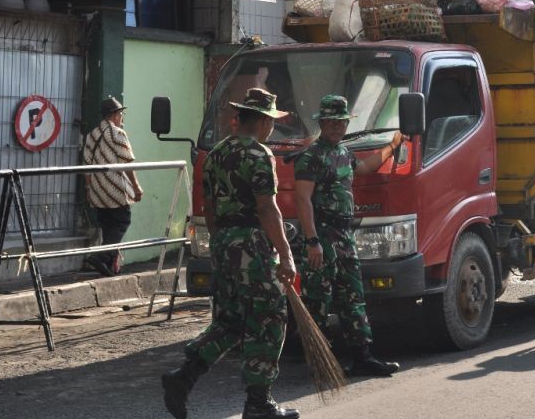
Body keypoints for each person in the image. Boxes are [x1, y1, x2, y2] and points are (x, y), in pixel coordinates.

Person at [162, 88, 298, 419]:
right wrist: (286, 254)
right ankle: (258, 403)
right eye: (271, 122)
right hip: (251, 246)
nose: (271, 129)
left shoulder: (217, 154)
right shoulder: (260, 155)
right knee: (269, 317)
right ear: (264, 121)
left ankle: (184, 377)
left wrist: (223, 245)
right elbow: (268, 209)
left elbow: (209, 208)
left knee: (232, 320)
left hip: (223, 244)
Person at [294, 95, 401, 376]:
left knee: (353, 296)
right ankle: (319, 361)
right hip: (323, 234)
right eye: (331, 122)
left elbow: (364, 168)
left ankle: (362, 356)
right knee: (318, 299)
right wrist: (312, 241)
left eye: (341, 122)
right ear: (322, 123)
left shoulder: (343, 152)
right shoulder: (311, 156)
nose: (337, 127)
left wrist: (393, 146)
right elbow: (303, 200)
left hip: (344, 235)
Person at [82, 96, 143, 277]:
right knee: (123, 221)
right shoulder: (118, 133)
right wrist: (136, 186)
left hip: (97, 190)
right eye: (121, 113)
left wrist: (89, 190)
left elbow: (86, 165)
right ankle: (101, 257)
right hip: (115, 190)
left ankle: (108, 264)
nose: (122, 117)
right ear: (115, 115)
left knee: (108, 226)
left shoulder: (92, 135)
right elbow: (128, 163)